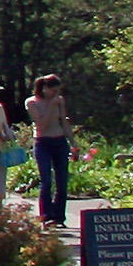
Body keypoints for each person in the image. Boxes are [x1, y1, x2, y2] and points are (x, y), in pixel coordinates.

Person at [22, 73, 76, 225]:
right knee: (46, 181)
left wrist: (73, 142)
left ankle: (59, 217)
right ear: (45, 88)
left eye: (58, 91)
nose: (56, 94)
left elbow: (64, 122)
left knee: (62, 181)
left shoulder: (59, 100)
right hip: (43, 142)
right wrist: (51, 106)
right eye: (53, 91)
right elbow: (41, 124)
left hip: (59, 141)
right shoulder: (31, 102)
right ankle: (46, 215)